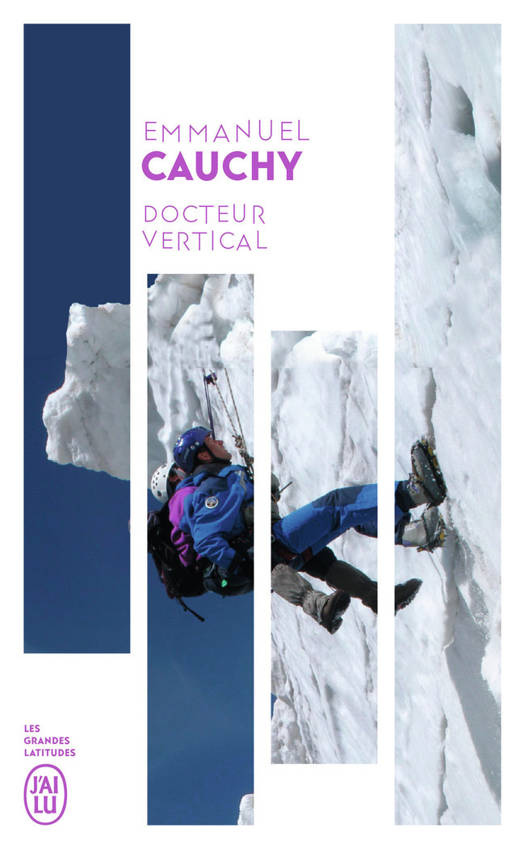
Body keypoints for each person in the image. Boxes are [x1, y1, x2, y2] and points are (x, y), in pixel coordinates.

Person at [153, 426, 445, 634]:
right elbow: (206, 539)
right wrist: (243, 561)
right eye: (210, 439)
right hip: (265, 545)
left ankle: (410, 539)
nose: (218, 440)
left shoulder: (217, 480)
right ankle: (414, 492)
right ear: (203, 455)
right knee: (336, 506)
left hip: (265, 547)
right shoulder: (207, 488)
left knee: (336, 530)